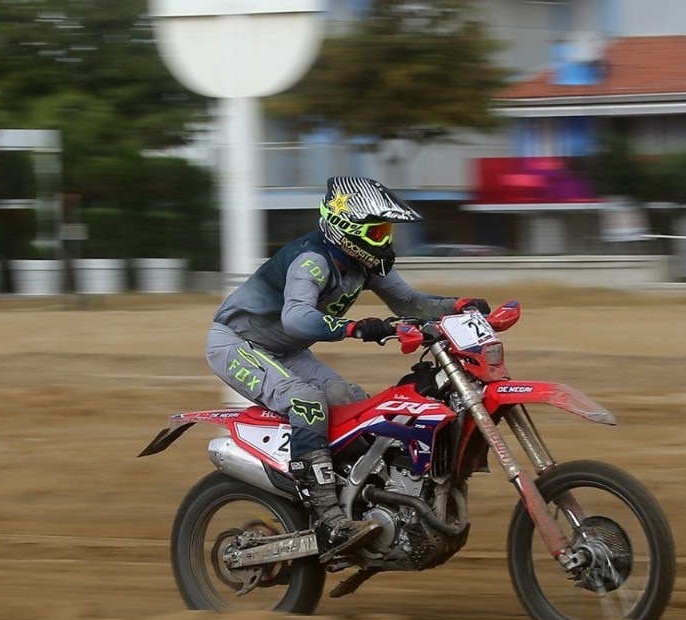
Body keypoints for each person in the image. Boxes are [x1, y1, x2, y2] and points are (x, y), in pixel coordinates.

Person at [206, 176, 490, 560]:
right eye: (377, 230)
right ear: (345, 228)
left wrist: (459, 306)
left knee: (350, 400)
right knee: (306, 400)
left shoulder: (364, 262)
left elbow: (410, 302)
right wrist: (353, 327)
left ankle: (358, 497)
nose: (384, 238)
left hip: (285, 350)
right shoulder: (313, 261)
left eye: (386, 229)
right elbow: (297, 319)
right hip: (237, 344)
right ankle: (327, 516)